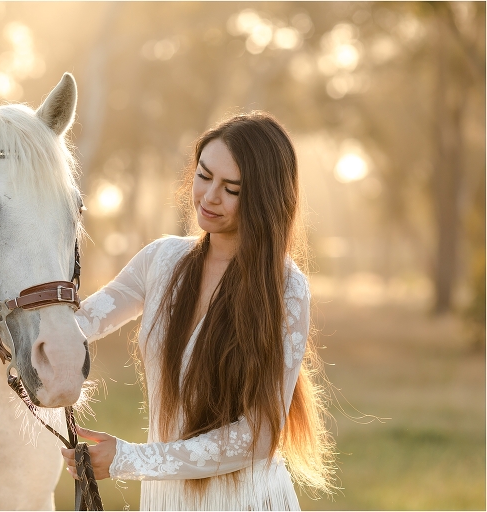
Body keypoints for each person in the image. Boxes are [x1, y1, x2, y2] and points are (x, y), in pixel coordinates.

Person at [62, 112, 335, 510]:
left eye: (232, 189)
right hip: (165, 501)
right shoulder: (161, 259)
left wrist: (129, 458)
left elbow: (258, 437)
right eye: (204, 176)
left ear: (264, 197)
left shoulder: (286, 289)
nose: (209, 197)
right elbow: (76, 325)